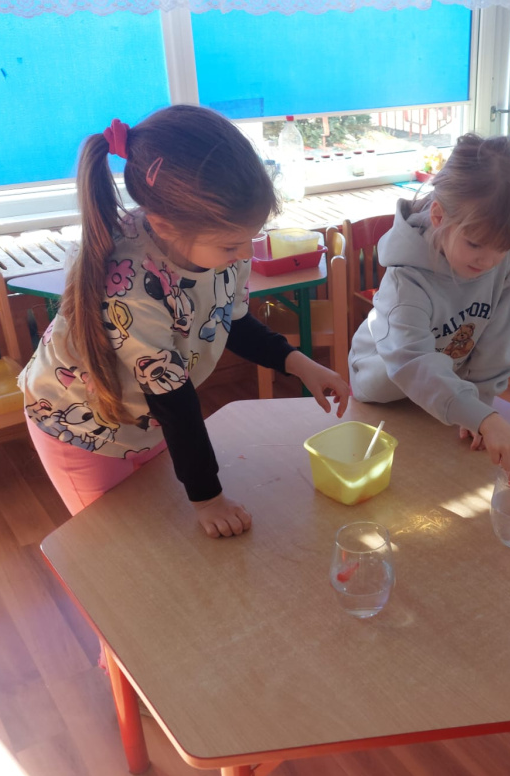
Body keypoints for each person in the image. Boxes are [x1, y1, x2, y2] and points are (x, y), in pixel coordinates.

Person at [19, 105, 350, 538]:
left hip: (146, 419)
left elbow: (228, 321)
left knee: (165, 542)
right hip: (80, 428)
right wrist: (208, 499)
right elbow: (174, 403)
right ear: (163, 225)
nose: (245, 254)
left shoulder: (224, 243)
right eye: (232, 245)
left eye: (249, 239)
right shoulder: (130, 289)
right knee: (114, 551)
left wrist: (299, 364)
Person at [349, 133, 510, 484]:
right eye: (475, 244)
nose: (489, 260)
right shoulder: (406, 278)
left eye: (502, 247)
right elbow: (412, 362)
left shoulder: (504, 259)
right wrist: (482, 418)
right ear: (438, 216)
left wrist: (480, 409)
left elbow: (496, 342)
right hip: (382, 397)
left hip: (448, 397)